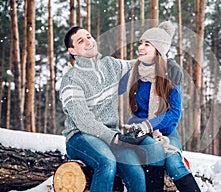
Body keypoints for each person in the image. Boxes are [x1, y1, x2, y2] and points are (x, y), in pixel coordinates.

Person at [59, 25, 183, 192]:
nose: (88, 41)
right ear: (72, 51)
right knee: (106, 162)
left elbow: (140, 63)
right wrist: (114, 137)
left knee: (136, 174)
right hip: (80, 137)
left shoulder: (110, 65)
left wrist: (168, 63)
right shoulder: (71, 79)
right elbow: (84, 121)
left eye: (89, 36)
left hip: (112, 136)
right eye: (81, 41)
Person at [121, 21, 201, 192]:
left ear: (158, 49)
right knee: (155, 149)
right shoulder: (134, 70)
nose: (140, 48)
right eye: (141, 43)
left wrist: (149, 125)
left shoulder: (171, 74)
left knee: (174, 162)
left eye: (147, 44)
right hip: (137, 129)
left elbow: (174, 115)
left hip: (166, 130)